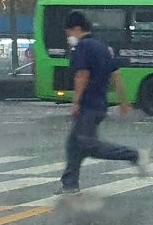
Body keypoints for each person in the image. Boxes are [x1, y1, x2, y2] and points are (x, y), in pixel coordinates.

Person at [57, 11, 148, 195]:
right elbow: (116, 76)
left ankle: (134, 154)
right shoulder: (103, 47)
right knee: (74, 144)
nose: (69, 37)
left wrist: (76, 102)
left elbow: (82, 75)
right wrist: (123, 101)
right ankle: (70, 184)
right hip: (100, 104)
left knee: (88, 144)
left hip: (88, 105)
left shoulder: (82, 48)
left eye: (69, 33)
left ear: (76, 29)